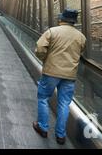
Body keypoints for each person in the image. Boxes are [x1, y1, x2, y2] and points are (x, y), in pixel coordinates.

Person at [32, 9, 86, 145]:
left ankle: (43, 128)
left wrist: (44, 59)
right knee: (64, 104)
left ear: (62, 19)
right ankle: (61, 135)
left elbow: (39, 48)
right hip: (70, 75)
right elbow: (81, 51)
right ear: (74, 21)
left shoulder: (52, 31)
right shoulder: (81, 37)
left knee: (43, 98)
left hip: (51, 72)